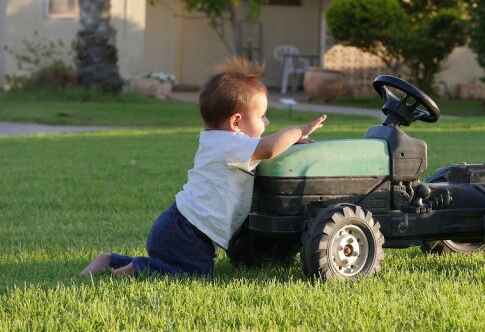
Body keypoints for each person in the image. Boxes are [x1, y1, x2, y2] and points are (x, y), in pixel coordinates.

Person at [80, 57, 326, 277]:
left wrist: (289, 142)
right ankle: (137, 269)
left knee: (174, 264)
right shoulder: (232, 145)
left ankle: (110, 261)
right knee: (195, 272)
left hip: (177, 225)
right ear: (236, 122)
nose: (267, 121)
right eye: (262, 116)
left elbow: (263, 146)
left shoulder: (218, 141)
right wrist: (299, 131)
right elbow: (270, 148)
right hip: (189, 233)